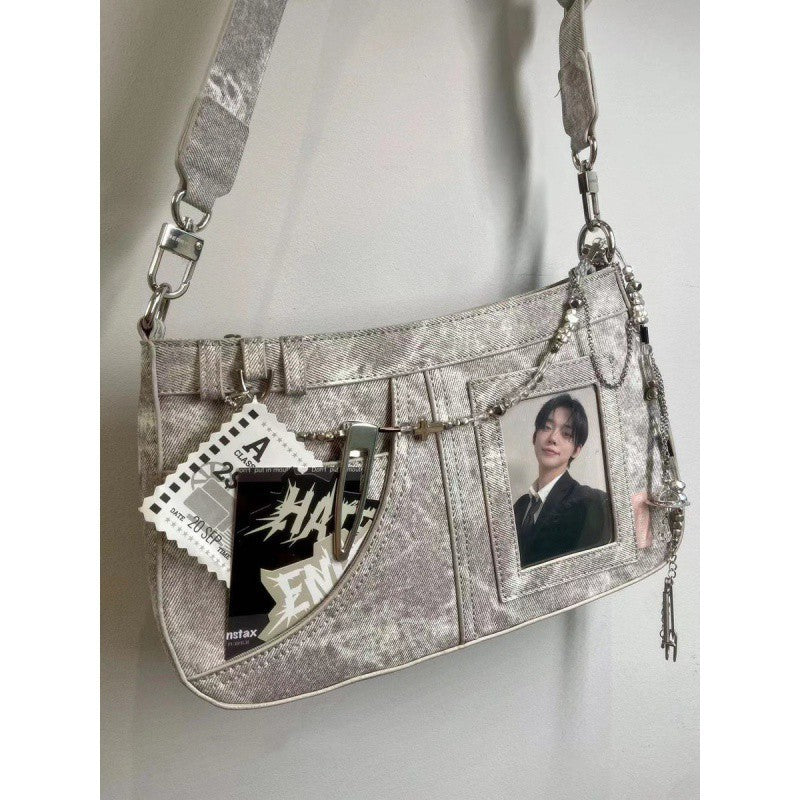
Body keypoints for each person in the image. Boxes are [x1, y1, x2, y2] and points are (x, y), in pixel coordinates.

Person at [513, 394, 613, 567]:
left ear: (576, 450)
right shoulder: (520, 506)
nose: (552, 438)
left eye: (566, 434)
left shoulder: (588, 501)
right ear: (534, 437)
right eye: (546, 427)